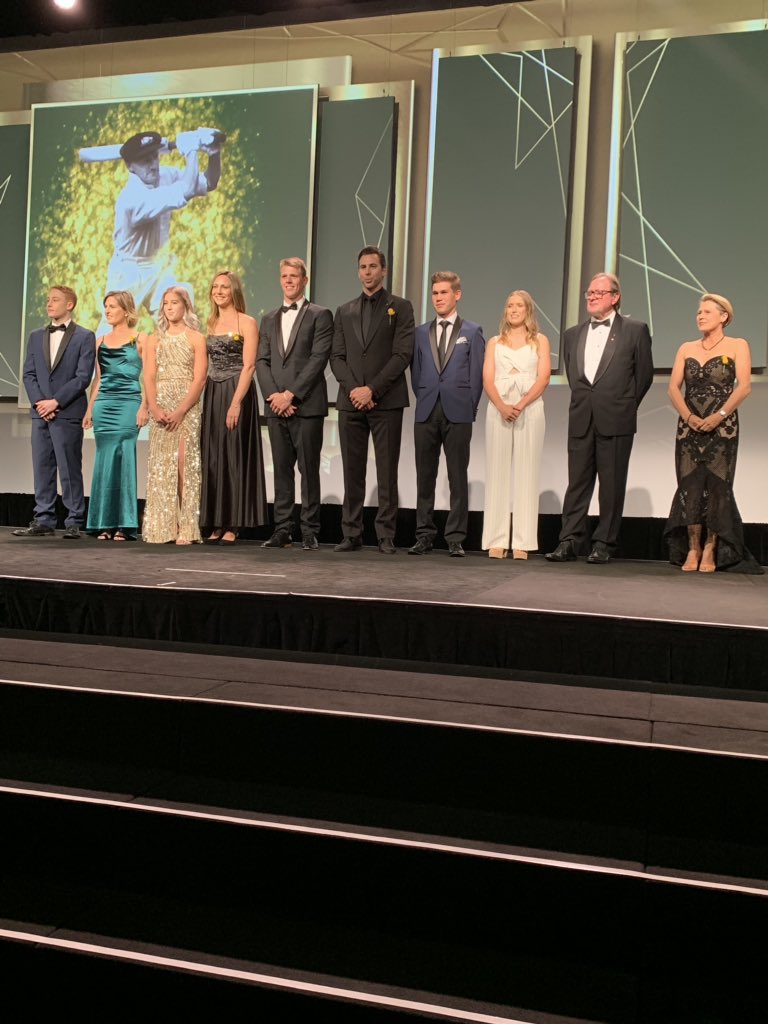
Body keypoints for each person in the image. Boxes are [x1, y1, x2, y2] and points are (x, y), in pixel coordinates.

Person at [546, 272, 653, 565]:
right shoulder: (572, 334)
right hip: (582, 416)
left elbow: (643, 376)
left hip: (616, 417)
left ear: (615, 297)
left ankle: (604, 542)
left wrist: (624, 405)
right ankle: (569, 541)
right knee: (577, 483)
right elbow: (575, 377)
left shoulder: (635, 330)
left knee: (612, 484)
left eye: (598, 292)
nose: (591, 297)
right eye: (589, 293)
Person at [665, 293, 762, 574]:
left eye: (707, 311)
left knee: (719, 487)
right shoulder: (686, 347)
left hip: (722, 427)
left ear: (724, 317)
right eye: (699, 312)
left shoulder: (738, 345)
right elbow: (673, 388)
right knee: (690, 487)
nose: (700, 316)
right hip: (689, 426)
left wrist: (719, 416)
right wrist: (689, 417)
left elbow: (744, 386)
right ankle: (693, 547)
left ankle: (710, 547)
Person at [330, 246, 415, 553]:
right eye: (363, 267)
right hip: (350, 401)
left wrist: (372, 390)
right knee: (352, 470)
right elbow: (336, 357)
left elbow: (402, 355)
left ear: (384, 271)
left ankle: (385, 535)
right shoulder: (344, 310)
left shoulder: (400, 307)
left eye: (373, 266)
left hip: (386, 401)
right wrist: (356, 389)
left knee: (386, 470)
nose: (367, 272)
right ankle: (351, 533)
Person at [100, 128, 224, 329]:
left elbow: (209, 182)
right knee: (112, 331)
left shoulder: (164, 174)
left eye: (154, 156)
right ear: (130, 166)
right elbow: (187, 189)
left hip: (158, 266)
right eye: (144, 161)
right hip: (129, 272)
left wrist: (213, 153)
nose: (153, 164)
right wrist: (191, 150)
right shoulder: (133, 198)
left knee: (180, 319)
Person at [257, 257, 333, 550]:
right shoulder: (268, 318)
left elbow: (318, 358)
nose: (288, 280)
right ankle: (283, 529)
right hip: (275, 407)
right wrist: (274, 396)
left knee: (309, 470)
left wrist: (290, 395)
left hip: (306, 405)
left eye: (294, 276)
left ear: (305, 280)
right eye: (284, 276)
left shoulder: (320, 315)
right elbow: (262, 361)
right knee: (281, 469)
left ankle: (310, 530)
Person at [408, 271, 485, 558]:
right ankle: (424, 535)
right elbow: (416, 373)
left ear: (457, 294)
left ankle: (455, 537)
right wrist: (426, 397)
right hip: (427, 409)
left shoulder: (472, 331)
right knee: (424, 476)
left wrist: (469, 406)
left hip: (458, 411)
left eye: (443, 292)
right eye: (435, 293)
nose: (438, 298)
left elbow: (476, 375)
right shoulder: (420, 332)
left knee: (457, 476)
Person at [13, 286, 96, 539]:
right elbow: (29, 373)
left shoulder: (84, 336)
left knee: (69, 467)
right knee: (42, 466)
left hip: (67, 411)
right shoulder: (36, 335)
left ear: (69, 304)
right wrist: (40, 402)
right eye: (48, 299)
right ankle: (44, 519)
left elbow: (83, 377)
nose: (49, 303)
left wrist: (56, 402)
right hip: (41, 413)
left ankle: (74, 520)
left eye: (55, 300)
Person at [200, 270, 267, 544]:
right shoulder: (210, 323)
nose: (218, 291)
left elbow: (249, 366)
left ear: (234, 291)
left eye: (224, 287)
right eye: (215, 287)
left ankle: (234, 524)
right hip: (213, 392)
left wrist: (236, 403)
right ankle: (216, 522)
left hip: (236, 390)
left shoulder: (247, 322)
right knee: (214, 457)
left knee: (234, 456)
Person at [482, 290, 550, 559]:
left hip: (529, 408)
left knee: (527, 472)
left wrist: (520, 405)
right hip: (499, 408)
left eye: (519, 305)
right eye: (509, 305)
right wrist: (502, 406)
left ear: (528, 310)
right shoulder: (494, 342)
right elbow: (487, 378)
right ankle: (496, 539)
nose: (513, 309)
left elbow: (543, 378)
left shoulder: (540, 341)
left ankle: (523, 541)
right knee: (497, 471)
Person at [142, 287, 207, 544]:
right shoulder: (153, 339)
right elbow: (148, 376)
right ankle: (164, 526)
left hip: (187, 407)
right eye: (166, 303)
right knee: (162, 465)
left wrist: (181, 410)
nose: (169, 307)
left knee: (184, 464)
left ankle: (187, 527)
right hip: (161, 405)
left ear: (185, 306)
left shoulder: (196, 338)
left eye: (174, 303)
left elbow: (200, 378)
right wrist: (154, 407)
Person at [83, 291, 148, 540]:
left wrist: (145, 407)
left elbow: (149, 378)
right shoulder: (100, 341)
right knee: (104, 461)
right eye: (106, 306)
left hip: (129, 403)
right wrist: (90, 409)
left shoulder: (141, 339)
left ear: (126, 310)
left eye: (113, 306)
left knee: (125, 459)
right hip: (104, 405)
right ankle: (104, 523)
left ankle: (125, 524)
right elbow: (98, 379)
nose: (108, 311)